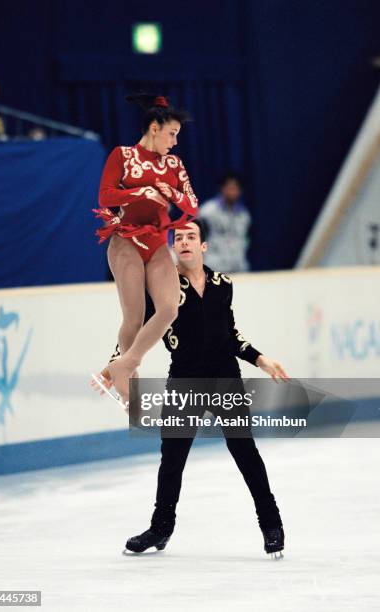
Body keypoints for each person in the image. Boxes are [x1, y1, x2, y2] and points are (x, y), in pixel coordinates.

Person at [98, 220, 289, 557]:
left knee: (245, 451)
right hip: (184, 379)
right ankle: (160, 529)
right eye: (178, 237)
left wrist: (260, 359)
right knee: (171, 459)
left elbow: (230, 334)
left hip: (225, 378)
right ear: (172, 246)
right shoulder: (162, 288)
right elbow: (134, 327)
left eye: (191, 237)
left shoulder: (222, 284)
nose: (184, 242)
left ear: (203, 246)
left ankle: (271, 524)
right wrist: (117, 363)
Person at [93, 94, 198, 405]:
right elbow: (105, 197)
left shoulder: (174, 165)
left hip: (155, 243)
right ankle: (128, 383)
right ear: (155, 127)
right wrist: (143, 192)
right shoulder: (122, 156)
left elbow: (192, 205)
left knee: (169, 308)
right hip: (125, 240)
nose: (175, 142)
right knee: (134, 317)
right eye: (172, 134)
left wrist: (170, 193)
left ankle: (125, 363)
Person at [199, 172, 251, 272]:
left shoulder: (244, 215)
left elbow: (246, 239)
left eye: (236, 188)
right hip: (214, 266)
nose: (232, 192)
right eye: (230, 188)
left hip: (238, 267)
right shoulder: (207, 211)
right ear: (222, 188)